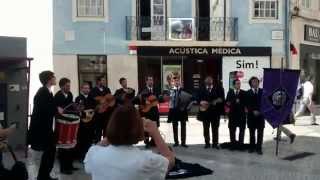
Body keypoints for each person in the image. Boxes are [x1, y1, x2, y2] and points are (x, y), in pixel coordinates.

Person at [84, 105, 175, 180]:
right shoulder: (146, 160)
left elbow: (96, 148)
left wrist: (118, 128)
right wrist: (155, 132)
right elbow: (170, 161)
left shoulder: (95, 154)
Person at [28, 71, 61, 180]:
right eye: (53, 77)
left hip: (46, 128)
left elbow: (49, 107)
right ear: (48, 79)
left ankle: (44, 176)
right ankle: (43, 176)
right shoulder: (42, 92)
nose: (55, 78)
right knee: (49, 152)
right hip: (42, 129)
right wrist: (56, 109)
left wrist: (56, 109)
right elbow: (44, 109)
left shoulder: (48, 92)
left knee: (49, 153)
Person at [54, 78, 77, 175]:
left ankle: (70, 165)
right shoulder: (57, 96)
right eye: (67, 86)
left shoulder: (70, 94)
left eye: (69, 85)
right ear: (62, 86)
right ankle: (63, 168)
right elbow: (57, 110)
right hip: (62, 124)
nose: (69, 87)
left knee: (71, 145)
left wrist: (76, 108)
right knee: (63, 147)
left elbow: (71, 107)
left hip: (70, 122)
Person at [197, 76, 225, 149]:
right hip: (205, 112)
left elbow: (222, 98)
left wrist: (218, 101)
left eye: (210, 80)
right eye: (207, 80)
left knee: (215, 129)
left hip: (215, 112)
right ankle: (207, 143)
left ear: (212, 81)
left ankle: (215, 144)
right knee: (206, 128)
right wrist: (200, 101)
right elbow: (197, 98)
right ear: (205, 81)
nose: (208, 82)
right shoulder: (201, 89)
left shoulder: (219, 88)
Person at [137, 76, 163, 148]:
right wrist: (144, 101)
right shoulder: (142, 90)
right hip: (146, 111)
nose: (151, 81)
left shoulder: (157, 89)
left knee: (155, 126)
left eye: (152, 80)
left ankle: (153, 141)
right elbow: (138, 99)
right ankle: (147, 142)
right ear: (146, 81)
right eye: (149, 80)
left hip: (154, 111)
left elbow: (160, 98)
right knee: (147, 127)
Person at [167, 73, 192, 148]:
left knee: (183, 126)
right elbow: (169, 101)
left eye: (178, 81)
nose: (177, 82)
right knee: (175, 126)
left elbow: (190, 99)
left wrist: (188, 107)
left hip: (183, 111)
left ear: (180, 82)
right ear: (173, 82)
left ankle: (183, 142)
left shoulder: (184, 89)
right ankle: (176, 142)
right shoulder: (171, 90)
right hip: (174, 111)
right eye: (175, 81)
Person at [75, 82, 95, 161]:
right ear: (81, 89)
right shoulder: (78, 98)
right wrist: (84, 113)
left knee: (90, 140)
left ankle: (88, 156)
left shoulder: (92, 98)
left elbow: (94, 108)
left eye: (88, 88)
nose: (87, 89)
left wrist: (92, 113)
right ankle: (81, 156)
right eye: (85, 88)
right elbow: (77, 110)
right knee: (82, 139)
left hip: (91, 122)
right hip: (82, 123)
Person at [89, 76, 112, 142]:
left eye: (104, 80)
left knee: (106, 131)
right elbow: (92, 101)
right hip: (98, 114)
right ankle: (97, 145)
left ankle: (105, 145)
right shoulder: (93, 90)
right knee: (98, 131)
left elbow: (110, 99)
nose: (104, 82)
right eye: (103, 80)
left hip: (106, 114)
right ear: (98, 81)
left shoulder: (107, 89)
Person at [225, 79, 247, 148]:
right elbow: (227, 102)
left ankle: (240, 144)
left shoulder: (244, 92)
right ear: (234, 85)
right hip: (232, 115)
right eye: (237, 84)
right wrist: (233, 101)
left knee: (242, 130)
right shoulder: (230, 92)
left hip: (241, 115)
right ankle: (233, 144)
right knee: (232, 130)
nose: (239, 85)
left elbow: (246, 103)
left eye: (239, 83)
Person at [246, 77, 264, 155]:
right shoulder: (247, 93)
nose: (256, 83)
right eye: (254, 82)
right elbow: (247, 104)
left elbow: (265, 103)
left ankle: (259, 148)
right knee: (252, 133)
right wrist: (253, 110)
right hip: (251, 116)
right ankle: (252, 147)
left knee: (260, 134)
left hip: (260, 116)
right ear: (251, 83)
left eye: (257, 81)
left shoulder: (263, 91)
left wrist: (260, 111)